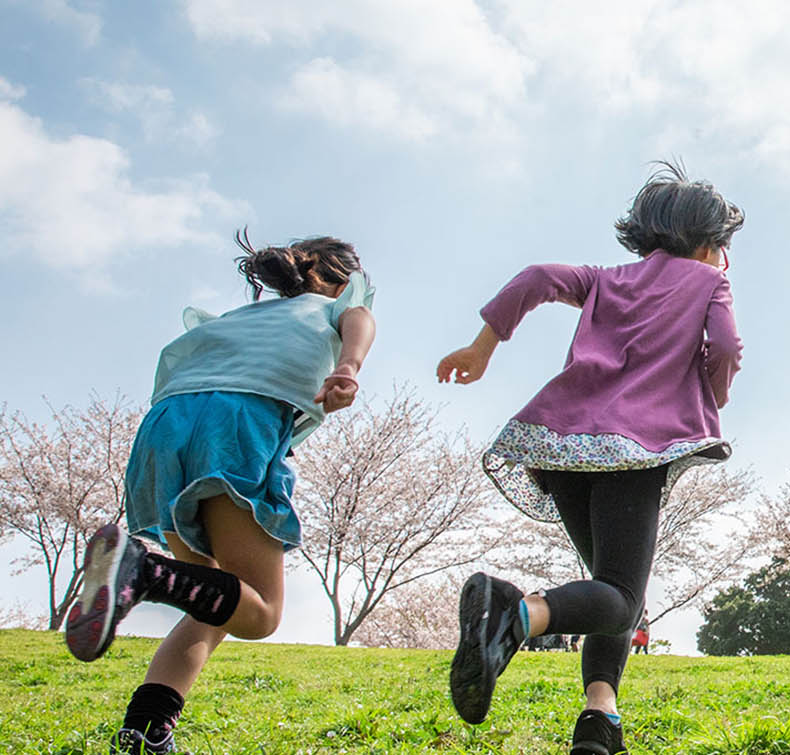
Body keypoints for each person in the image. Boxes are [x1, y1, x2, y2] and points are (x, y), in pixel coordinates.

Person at [436, 162, 743, 755]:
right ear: (709, 243)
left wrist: (482, 350)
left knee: (613, 590)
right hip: (634, 447)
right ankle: (514, 613)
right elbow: (726, 349)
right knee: (621, 598)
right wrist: (713, 392)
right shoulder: (708, 284)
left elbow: (537, 276)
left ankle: (599, 721)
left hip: (558, 445)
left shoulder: (607, 277)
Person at [65, 231, 374, 754]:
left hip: (163, 428)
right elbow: (360, 319)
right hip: (235, 423)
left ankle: (144, 731)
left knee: (211, 601)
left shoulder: (237, 319)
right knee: (261, 613)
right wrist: (347, 368)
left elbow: (172, 365)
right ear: (340, 277)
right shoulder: (341, 301)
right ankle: (142, 571)